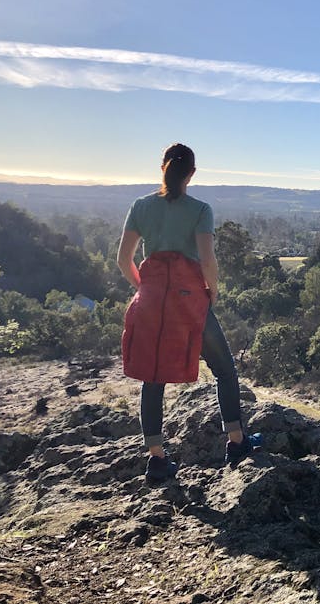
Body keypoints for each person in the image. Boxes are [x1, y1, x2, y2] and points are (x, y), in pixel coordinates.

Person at [117, 143, 256, 482]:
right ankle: (236, 443)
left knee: (153, 376)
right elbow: (208, 260)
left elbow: (123, 260)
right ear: (192, 173)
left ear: (162, 167)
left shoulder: (141, 206)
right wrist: (213, 291)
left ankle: (157, 459)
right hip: (189, 302)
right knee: (224, 368)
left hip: (151, 303)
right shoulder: (200, 209)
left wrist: (144, 289)